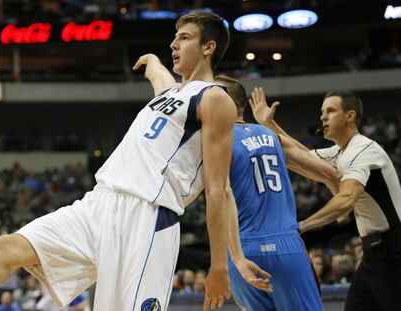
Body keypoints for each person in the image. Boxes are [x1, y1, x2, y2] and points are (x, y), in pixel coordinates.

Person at [0, 11, 240, 311]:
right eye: (174, 37)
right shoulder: (170, 93)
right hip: (100, 203)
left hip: (147, 216)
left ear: (209, 47)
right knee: (6, 248)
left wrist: (219, 267)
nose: (173, 44)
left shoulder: (215, 99)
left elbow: (216, 189)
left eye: (184, 38)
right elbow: (160, 79)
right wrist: (153, 62)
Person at [139, 57, 340, 309]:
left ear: (222, 102)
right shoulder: (271, 136)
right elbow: (328, 173)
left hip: (240, 249)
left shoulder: (209, 142)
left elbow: (222, 194)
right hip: (286, 245)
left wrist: (155, 68)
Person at [251, 87, 401, 311]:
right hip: (373, 254)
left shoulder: (363, 151)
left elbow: (346, 200)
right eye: (322, 111)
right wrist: (267, 125)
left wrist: (302, 226)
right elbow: (302, 156)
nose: (322, 117)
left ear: (350, 116)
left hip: (394, 252)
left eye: (330, 111)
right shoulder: (340, 152)